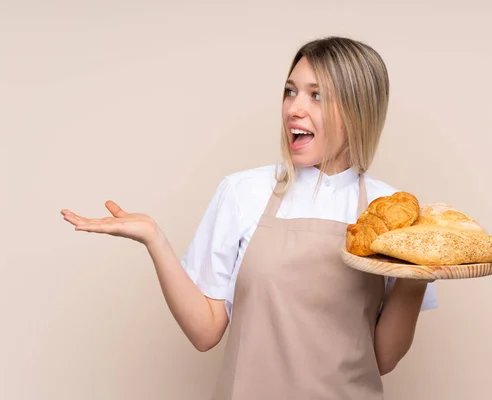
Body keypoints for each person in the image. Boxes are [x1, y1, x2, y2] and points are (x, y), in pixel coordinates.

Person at [61, 36, 437, 399]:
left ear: (358, 109)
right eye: (291, 91)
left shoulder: (390, 211)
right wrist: (154, 239)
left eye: (316, 95)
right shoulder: (243, 192)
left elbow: (383, 359)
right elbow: (205, 331)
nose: (294, 108)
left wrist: (419, 272)